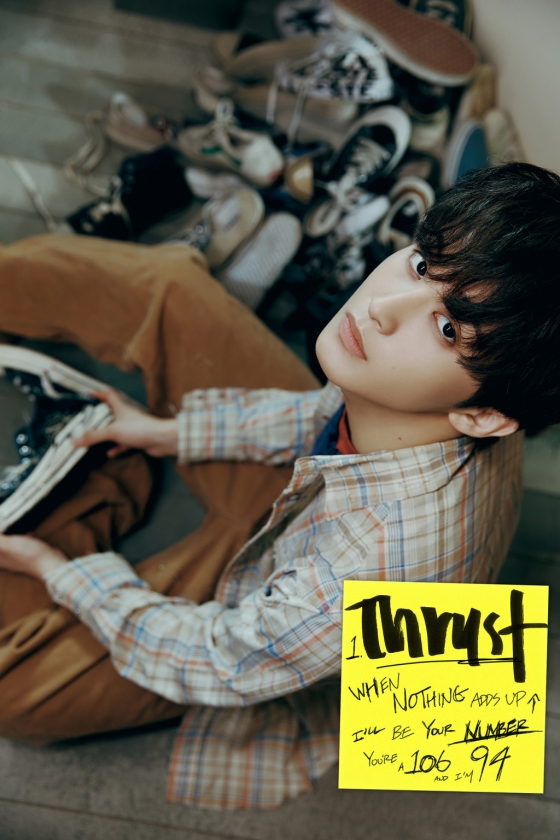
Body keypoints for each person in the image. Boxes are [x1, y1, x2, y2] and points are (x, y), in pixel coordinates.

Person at [0, 162, 559, 810]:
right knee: (170, 283)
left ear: (484, 417)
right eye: (421, 265)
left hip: (296, 598)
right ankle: (109, 469)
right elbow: (321, 415)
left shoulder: (366, 571)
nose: (380, 308)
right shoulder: (398, 379)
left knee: (13, 692)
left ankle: (85, 505)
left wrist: (61, 571)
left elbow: (221, 659)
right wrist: (170, 433)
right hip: (305, 506)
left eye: (447, 329)